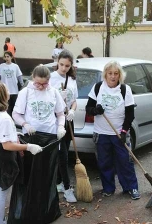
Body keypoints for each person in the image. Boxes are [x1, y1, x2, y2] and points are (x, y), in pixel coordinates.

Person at [0, 81, 42, 224]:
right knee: (1, 193)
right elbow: (7, 145)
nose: (9, 91)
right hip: (2, 158)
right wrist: (28, 147)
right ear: (3, 96)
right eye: (6, 90)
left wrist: (13, 136)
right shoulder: (4, 118)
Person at [85, 61, 140, 200]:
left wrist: (124, 131)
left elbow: (130, 114)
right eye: (110, 73)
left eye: (116, 73)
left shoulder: (124, 89)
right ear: (105, 74)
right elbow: (88, 108)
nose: (113, 76)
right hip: (101, 133)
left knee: (125, 162)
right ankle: (108, 188)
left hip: (119, 133)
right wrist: (96, 110)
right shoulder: (98, 87)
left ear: (120, 75)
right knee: (104, 162)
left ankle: (131, 187)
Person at [49, 50, 78, 203]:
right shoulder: (51, 79)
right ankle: (67, 188)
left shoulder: (72, 78)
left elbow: (75, 100)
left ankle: (59, 183)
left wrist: (73, 110)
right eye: (61, 65)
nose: (64, 68)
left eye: (67, 66)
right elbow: (47, 101)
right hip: (56, 121)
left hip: (68, 119)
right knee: (62, 155)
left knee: (65, 152)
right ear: (57, 62)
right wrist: (58, 99)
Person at [12, 65, 66, 140]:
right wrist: (26, 125)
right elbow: (15, 114)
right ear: (33, 77)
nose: (41, 87)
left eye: (44, 84)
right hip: (31, 135)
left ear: (49, 80)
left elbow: (60, 114)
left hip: (51, 134)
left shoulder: (54, 92)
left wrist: (61, 126)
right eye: (37, 84)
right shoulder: (25, 92)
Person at [0, 51, 23, 117]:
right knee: (7, 106)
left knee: (14, 106)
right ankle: (8, 118)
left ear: (11, 57)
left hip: (14, 90)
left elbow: (19, 76)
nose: (6, 58)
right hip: (5, 90)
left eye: (8, 56)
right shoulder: (2, 66)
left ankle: (15, 118)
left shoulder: (15, 66)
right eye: (5, 57)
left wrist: (22, 85)